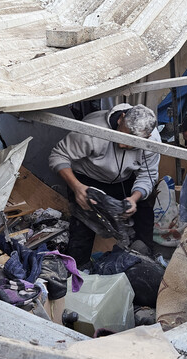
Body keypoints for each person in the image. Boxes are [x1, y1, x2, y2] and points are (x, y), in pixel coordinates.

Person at [49, 103, 160, 266]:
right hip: (86, 179)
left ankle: (142, 263)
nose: (123, 146)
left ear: (147, 138)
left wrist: (134, 199)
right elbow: (58, 156)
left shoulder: (153, 141)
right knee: (82, 228)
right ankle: (78, 270)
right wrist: (77, 188)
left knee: (144, 216)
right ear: (121, 118)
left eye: (132, 143)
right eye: (122, 136)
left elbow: (147, 175)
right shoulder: (92, 130)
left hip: (123, 180)